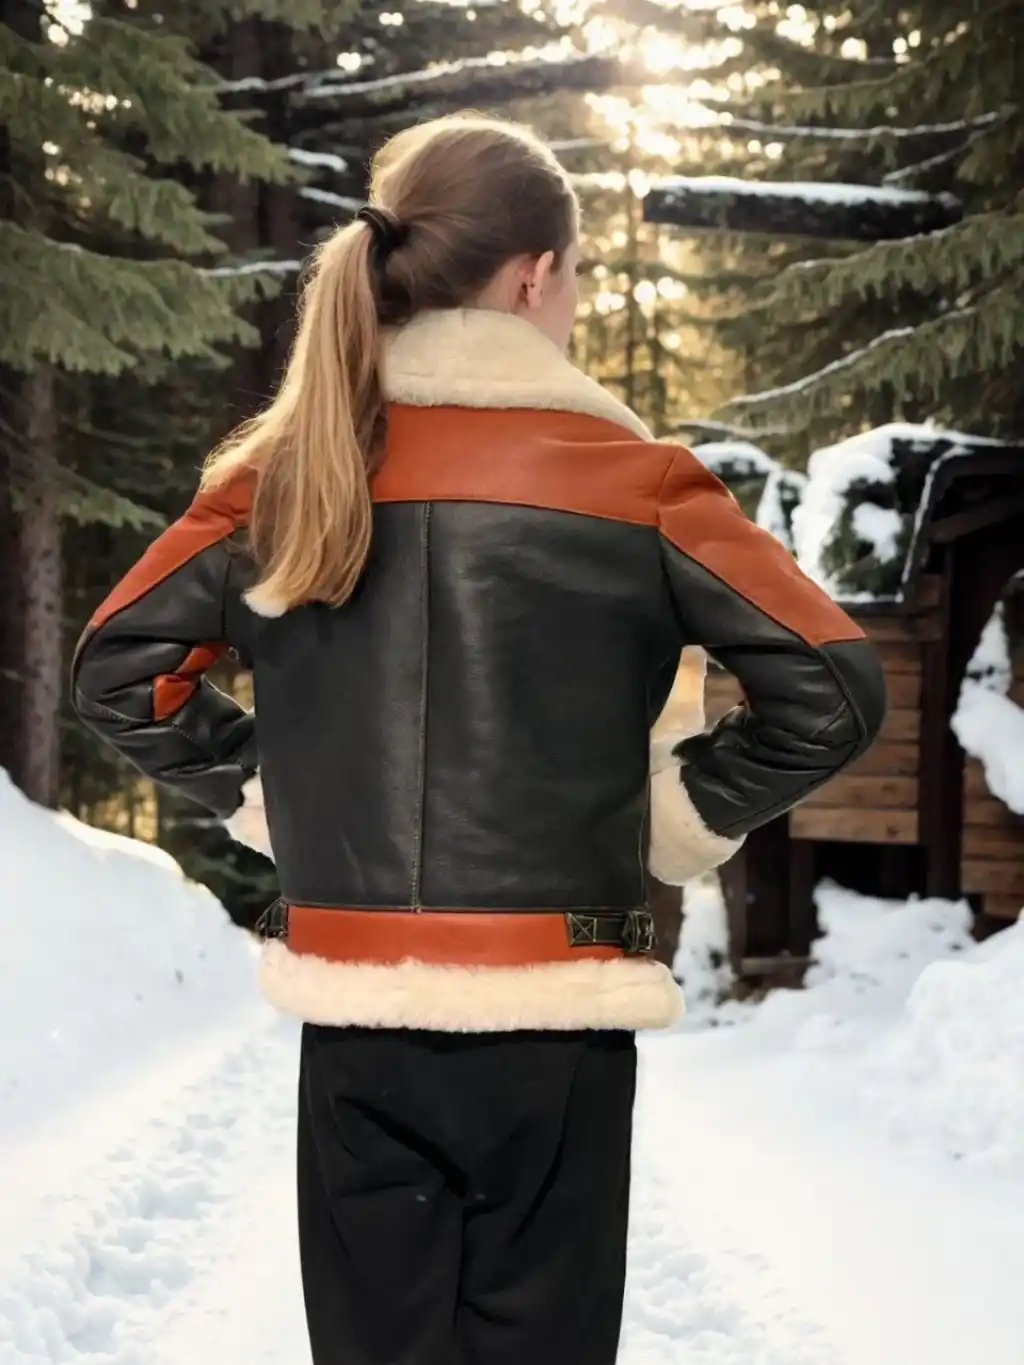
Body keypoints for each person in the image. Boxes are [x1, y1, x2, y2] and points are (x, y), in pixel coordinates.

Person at [71, 114, 885, 1365]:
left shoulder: (285, 477)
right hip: (556, 1035)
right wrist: (677, 818)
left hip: (359, 1028)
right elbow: (832, 685)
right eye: (577, 275)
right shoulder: (639, 482)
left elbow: (121, 674)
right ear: (534, 275)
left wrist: (267, 791)